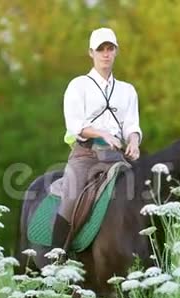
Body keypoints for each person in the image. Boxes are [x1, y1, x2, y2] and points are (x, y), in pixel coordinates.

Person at [52, 27, 143, 251]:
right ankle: (57, 259)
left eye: (109, 48)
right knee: (71, 199)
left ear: (116, 52)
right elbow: (74, 125)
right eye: (100, 49)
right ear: (91, 53)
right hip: (86, 155)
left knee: (146, 192)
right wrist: (102, 133)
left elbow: (132, 125)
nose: (105, 53)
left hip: (118, 157)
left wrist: (133, 141)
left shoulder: (127, 90)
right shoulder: (78, 85)